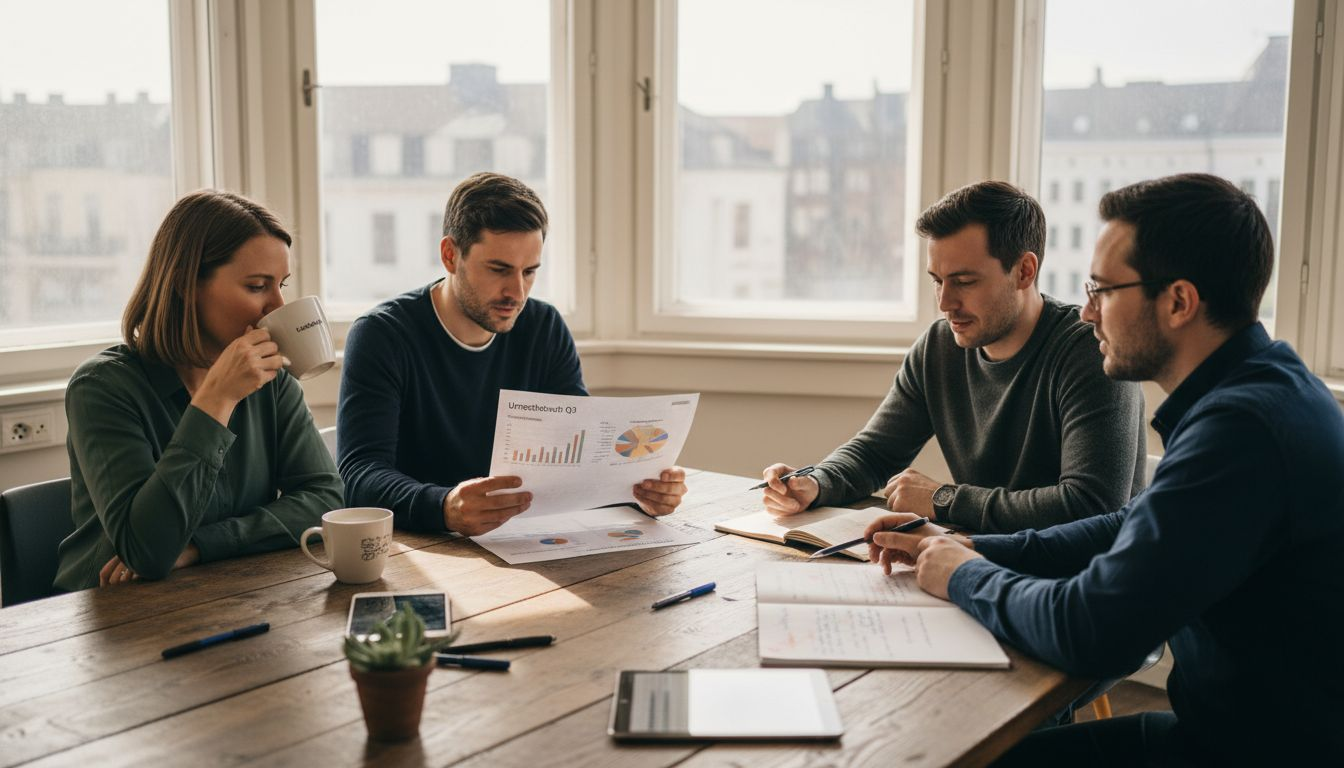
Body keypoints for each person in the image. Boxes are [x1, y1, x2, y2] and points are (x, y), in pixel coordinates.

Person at [868, 173, 1344, 764]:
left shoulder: (1241, 432)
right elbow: (1133, 522)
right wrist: (979, 546)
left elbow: (1088, 628)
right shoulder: (1264, 390)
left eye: (1103, 290)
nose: (1088, 313)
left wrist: (964, 575)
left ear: (1178, 302)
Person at [761, 181, 1145, 533]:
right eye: (937, 281)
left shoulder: (1091, 353)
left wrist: (942, 499)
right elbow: (875, 452)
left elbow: (1091, 507)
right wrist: (814, 483)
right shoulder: (940, 347)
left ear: (1024, 271)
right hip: (981, 559)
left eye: (964, 282)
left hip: (1074, 582)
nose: (946, 303)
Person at [337, 172, 687, 535]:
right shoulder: (382, 335)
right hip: (422, 546)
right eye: (499, 269)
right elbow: (360, 476)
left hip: (527, 540)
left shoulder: (543, 327)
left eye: (530, 272)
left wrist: (639, 493)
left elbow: (580, 457)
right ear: (449, 255)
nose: (516, 292)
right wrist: (445, 507)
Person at [55, 191, 343, 592]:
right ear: (186, 286)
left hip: (223, 592)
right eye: (258, 286)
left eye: (282, 285)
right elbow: (148, 552)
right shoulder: (102, 388)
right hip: (109, 613)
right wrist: (216, 401)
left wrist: (200, 545)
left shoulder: (273, 381)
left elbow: (326, 498)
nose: (276, 305)